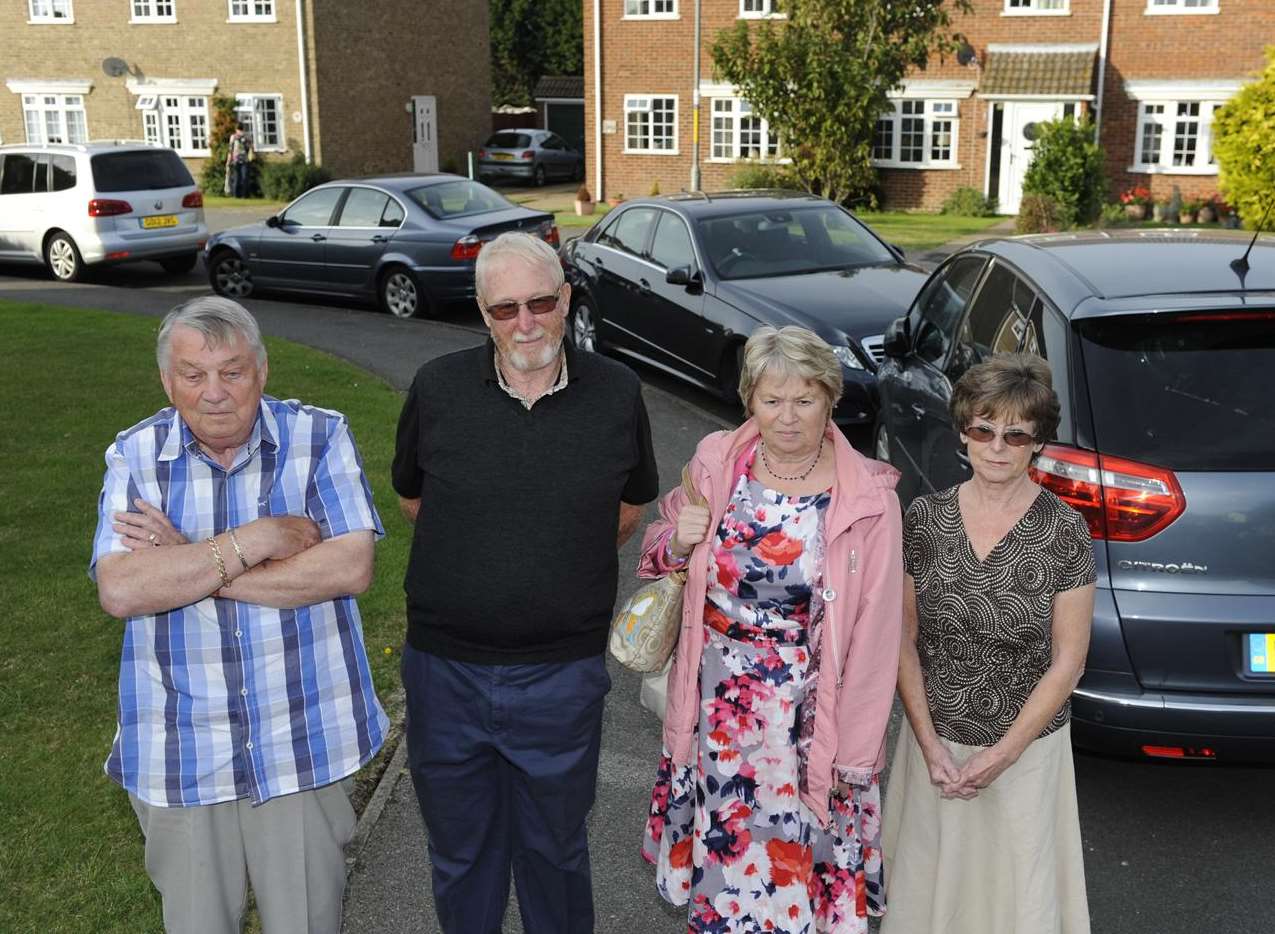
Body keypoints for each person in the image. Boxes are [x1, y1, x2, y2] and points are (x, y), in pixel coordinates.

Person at [90, 296, 388, 934]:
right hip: (181, 747)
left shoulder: (318, 436)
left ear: (263, 370)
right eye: (193, 375)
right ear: (168, 382)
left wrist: (191, 567)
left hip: (301, 739)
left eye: (232, 372)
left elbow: (348, 569)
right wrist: (257, 540)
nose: (214, 393)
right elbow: (121, 589)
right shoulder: (135, 457)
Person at [391, 231, 660, 933]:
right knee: (460, 854)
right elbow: (415, 499)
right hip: (444, 672)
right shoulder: (437, 388)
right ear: (482, 314)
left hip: (560, 674)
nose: (525, 322)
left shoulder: (617, 392)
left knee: (556, 853)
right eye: (503, 309)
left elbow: (627, 509)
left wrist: (548, 559)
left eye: (540, 302)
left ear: (567, 298)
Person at [639, 325, 904, 933]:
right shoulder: (716, 463)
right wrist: (676, 544)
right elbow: (659, 552)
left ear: (831, 399)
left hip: (809, 720)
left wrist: (856, 757)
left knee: (793, 876)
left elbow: (877, 635)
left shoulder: (868, 500)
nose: (787, 418)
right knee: (728, 869)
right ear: (749, 400)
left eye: (805, 400)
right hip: (718, 708)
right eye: (771, 400)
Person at [881, 353, 1096, 934]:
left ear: (1038, 443)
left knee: (1017, 903)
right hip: (936, 749)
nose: (996, 446)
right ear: (963, 432)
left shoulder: (1065, 529)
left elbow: (1069, 659)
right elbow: (902, 640)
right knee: (930, 897)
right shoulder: (923, 519)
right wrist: (929, 747)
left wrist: (1002, 755)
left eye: (1015, 434)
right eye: (983, 429)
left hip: (1027, 755)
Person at [226, 125, 253, 197]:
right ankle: (235, 195)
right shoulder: (233, 137)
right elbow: (230, 149)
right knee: (236, 178)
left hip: (245, 160)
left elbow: (250, 146)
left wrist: (245, 140)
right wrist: (229, 160)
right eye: (238, 130)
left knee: (244, 178)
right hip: (236, 160)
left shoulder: (247, 137)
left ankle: (244, 195)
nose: (240, 132)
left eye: (241, 130)